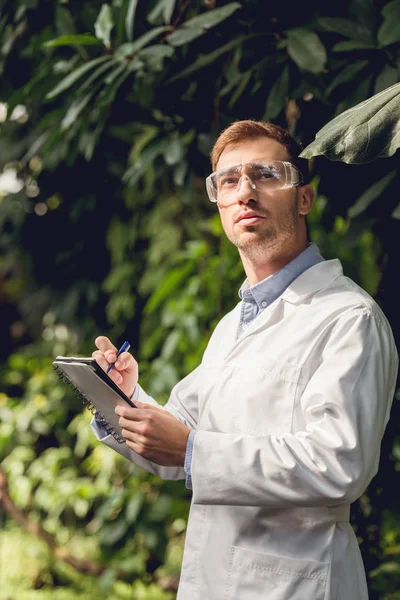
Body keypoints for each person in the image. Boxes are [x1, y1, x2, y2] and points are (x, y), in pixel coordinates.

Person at [91, 120, 398, 600]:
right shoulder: (236, 322)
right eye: (229, 180)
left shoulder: (348, 317)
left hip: (298, 584)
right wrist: (124, 395)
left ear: (303, 198)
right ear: (217, 200)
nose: (245, 192)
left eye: (266, 174)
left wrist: (195, 451)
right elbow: (177, 437)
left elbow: (340, 464)